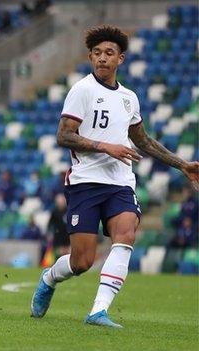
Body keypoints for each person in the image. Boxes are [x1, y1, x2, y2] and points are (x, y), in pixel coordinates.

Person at [30, 25, 199, 328]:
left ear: (121, 59)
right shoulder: (82, 90)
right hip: (85, 182)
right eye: (97, 53)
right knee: (81, 262)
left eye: (109, 53)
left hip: (120, 182)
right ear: (90, 57)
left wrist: (181, 164)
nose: (102, 58)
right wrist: (104, 146)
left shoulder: (129, 98)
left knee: (126, 234)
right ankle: (50, 278)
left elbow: (143, 141)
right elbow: (64, 136)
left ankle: (98, 311)